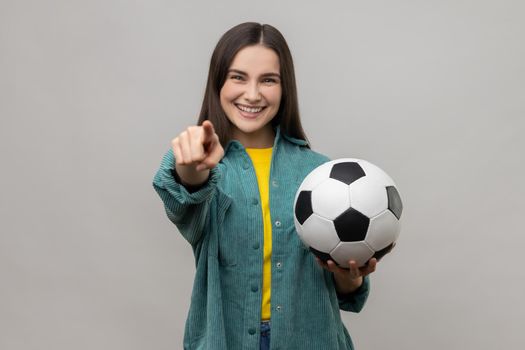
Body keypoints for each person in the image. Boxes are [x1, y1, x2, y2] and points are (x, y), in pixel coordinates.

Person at [153, 22, 377, 350]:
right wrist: (190, 169)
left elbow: (348, 294)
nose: (253, 94)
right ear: (218, 83)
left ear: (285, 88)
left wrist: (349, 276)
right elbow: (185, 205)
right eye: (238, 77)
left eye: (268, 80)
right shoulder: (202, 163)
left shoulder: (319, 172)